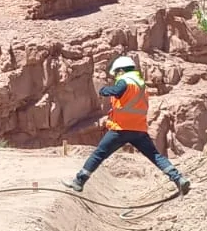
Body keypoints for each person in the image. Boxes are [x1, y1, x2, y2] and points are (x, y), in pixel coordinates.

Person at [65, 55, 190, 197]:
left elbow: (117, 91)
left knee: (98, 154)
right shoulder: (140, 84)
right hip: (139, 129)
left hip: (121, 129)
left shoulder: (125, 81)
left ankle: (78, 182)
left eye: (117, 73)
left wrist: (103, 91)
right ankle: (178, 178)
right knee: (155, 156)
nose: (116, 77)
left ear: (121, 70)